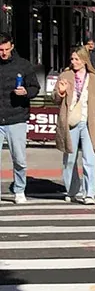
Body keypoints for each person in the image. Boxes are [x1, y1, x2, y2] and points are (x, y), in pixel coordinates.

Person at [54, 46, 95, 203]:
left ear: (84, 60)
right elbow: (55, 98)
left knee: (89, 159)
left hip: (90, 122)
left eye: (77, 59)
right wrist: (61, 92)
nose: (74, 62)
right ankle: (72, 190)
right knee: (69, 159)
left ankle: (89, 193)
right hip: (70, 122)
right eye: (72, 59)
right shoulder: (65, 75)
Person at [0, 33, 40, 205]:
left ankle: (19, 189)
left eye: (6, 49)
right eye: (0, 50)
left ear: (12, 47)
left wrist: (26, 92)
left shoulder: (23, 65)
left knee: (19, 159)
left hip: (16, 117)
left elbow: (35, 87)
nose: (3, 53)